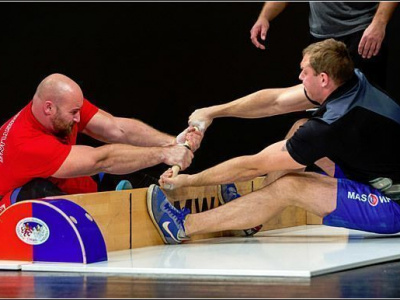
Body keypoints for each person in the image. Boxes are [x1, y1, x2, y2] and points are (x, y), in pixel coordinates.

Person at [147, 39, 400, 245]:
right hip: (375, 171)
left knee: (289, 187)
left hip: (393, 204)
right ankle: (252, 217)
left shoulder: (331, 125)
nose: (300, 77)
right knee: (299, 127)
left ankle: (182, 227)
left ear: (323, 79)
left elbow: (254, 166)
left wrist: (190, 181)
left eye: (305, 72)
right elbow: (275, 101)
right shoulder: (349, 81)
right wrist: (212, 112)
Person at [0, 73, 202, 212]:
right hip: (13, 208)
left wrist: (172, 141)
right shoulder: (26, 143)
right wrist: (164, 154)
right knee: (42, 191)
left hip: (60, 180)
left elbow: (115, 128)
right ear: (49, 108)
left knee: (134, 176)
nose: (79, 119)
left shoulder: (62, 106)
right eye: (74, 113)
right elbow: (101, 160)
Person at [250, 2, 398, 90]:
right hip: (320, 38)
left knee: (362, 107)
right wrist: (264, 16)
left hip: (361, 33)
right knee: (317, 106)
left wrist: (379, 22)